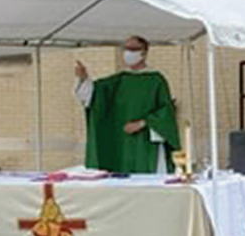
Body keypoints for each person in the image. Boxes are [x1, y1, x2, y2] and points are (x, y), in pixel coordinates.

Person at [75, 36, 180, 174]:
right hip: (121, 143)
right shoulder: (120, 80)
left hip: (145, 143)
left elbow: (167, 111)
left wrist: (142, 123)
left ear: (144, 53)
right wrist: (83, 78)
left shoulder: (156, 80)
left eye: (132, 49)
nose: (127, 53)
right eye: (126, 49)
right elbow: (95, 94)